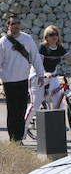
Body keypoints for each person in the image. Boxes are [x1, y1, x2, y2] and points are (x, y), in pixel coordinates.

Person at [0, 14, 44, 143]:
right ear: (8, 25)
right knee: (12, 110)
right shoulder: (3, 42)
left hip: (24, 79)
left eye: (18, 23)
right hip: (9, 81)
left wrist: (40, 74)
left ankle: (19, 138)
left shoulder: (27, 39)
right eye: (13, 23)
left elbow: (35, 57)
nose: (16, 26)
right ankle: (13, 138)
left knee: (22, 109)